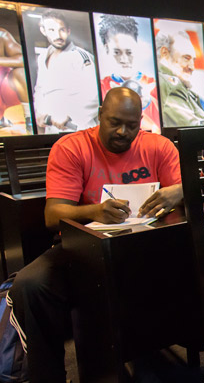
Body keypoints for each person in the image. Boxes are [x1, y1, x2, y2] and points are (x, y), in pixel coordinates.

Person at [8, 87, 183, 382]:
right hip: (83, 248)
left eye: (131, 125)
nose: (123, 132)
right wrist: (95, 211)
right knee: (30, 285)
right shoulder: (72, 148)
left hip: (146, 246)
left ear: (141, 122)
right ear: (100, 114)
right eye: (115, 122)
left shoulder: (159, 147)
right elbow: (52, 215)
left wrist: (178, 191)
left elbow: (188, 190)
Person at [33, 10, 99, 134]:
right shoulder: (43, 57)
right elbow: (40, 89)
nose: (58, 35)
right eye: (52, 30)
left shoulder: (80, 56)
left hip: (76, 126)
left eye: (62, 30)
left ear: (68, 31)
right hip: (51, 125)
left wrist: (69, 115)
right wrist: (39, 113)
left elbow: (95, 95)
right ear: (43, 31)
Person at [97, 14, 160, 133]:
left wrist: (148, 103)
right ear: (106, 49)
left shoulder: (155, 87)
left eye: (129, 52)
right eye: (117, 52)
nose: (124, 59)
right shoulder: (100, 87)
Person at [156, 29, 204, 127]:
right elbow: (195, 129)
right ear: (164, 53)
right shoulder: (171, 86)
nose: (192, 67)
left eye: (193, 60)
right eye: (186, 58)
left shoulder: (178, 86)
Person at [0, 27, 30, 134]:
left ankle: (30, 120)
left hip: (4, 90)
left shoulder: (1, 34)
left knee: (21, 72)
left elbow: (24, 59)